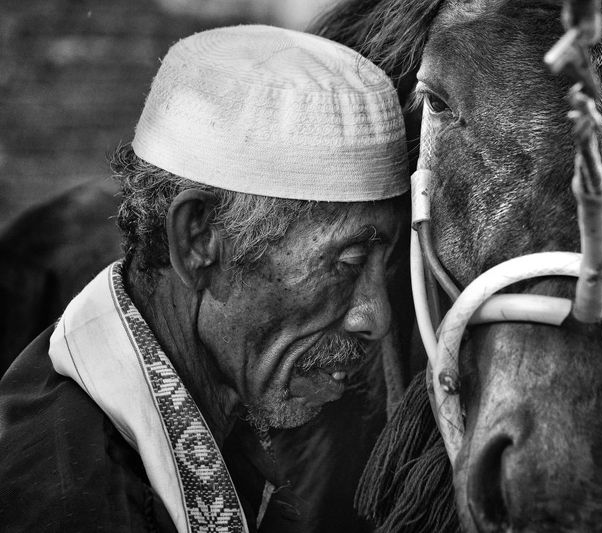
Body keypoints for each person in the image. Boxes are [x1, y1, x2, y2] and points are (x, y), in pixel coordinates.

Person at [0, 25, 408, 532]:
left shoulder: (203, 429)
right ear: (198, 239)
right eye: (346, 264)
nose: (377, 317)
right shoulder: (69, 503)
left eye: (384, 265)